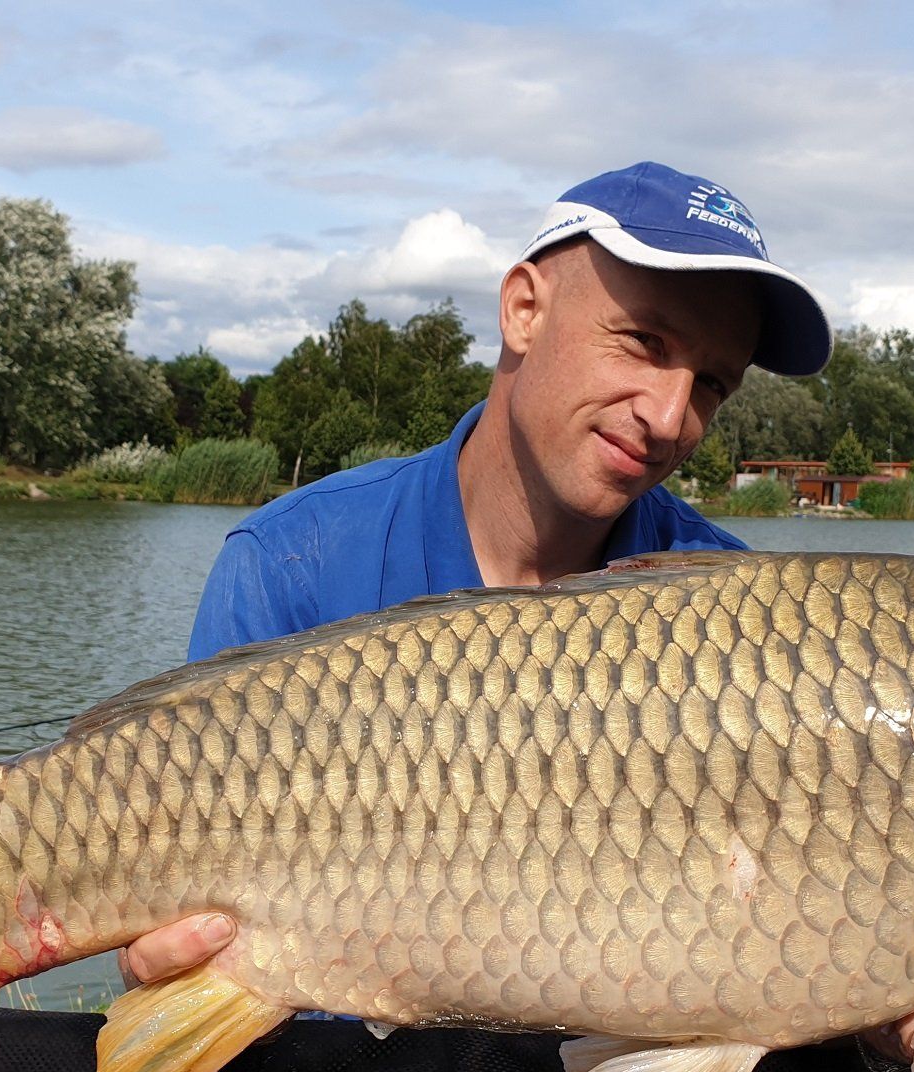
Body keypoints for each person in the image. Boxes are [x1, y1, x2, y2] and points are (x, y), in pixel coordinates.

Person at [120, 160, 833, 990]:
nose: (671, 418)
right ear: (524, 309)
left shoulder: (740, 611)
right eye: (645, 342)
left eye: (711, 382)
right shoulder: (292, 563)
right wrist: (159, 974)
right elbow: (170, 951)